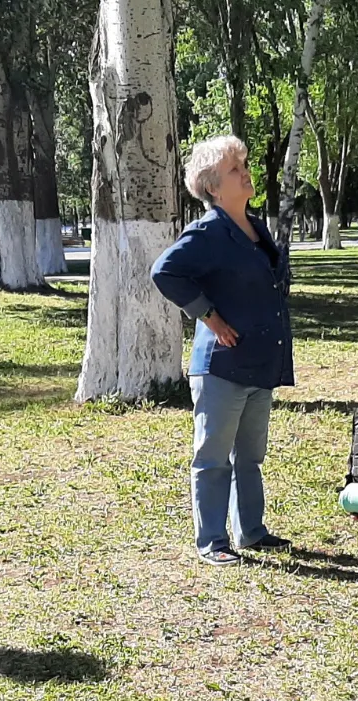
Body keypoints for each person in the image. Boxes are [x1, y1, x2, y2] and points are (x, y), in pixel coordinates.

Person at [151, 134, 295, 565]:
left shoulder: (256, 226)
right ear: (213, 186)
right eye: (235, 169)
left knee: (250, 456)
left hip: (259, 360)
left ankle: (251, 531)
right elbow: (165, 272)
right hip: (222, 366)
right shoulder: (208, 231)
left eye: (243, 165)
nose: (245, 173)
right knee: (213, 457)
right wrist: (209, 316)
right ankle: (212, 541)